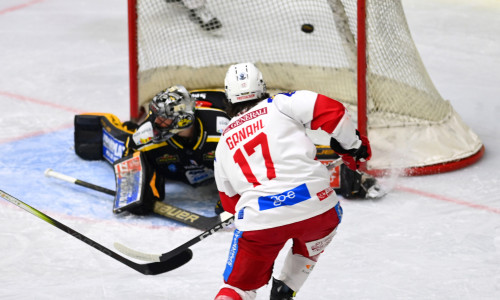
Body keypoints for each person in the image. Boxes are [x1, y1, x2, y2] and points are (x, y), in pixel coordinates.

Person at [212, 63, 372, 300]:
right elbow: (333, 113)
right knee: (310, 248)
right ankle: (285, 290)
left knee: (238, 289)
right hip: (319, 209)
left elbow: (229, 204)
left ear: (228, 96)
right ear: (262, 86)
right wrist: (353, 147)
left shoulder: (223, 142)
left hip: (261, 219)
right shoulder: (281, 103)